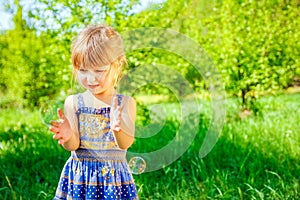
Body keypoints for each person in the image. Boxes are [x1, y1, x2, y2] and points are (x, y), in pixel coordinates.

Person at [50, 24, 138, 200]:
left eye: (99, 70)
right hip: (81, 178)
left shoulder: (125, 103)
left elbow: (125, 144)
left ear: (117, 65)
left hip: (113, 181)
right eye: (83, 70)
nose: (90, 78)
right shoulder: (73, 102)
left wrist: (118, 129)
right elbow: (73, 146)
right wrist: (68, 136)